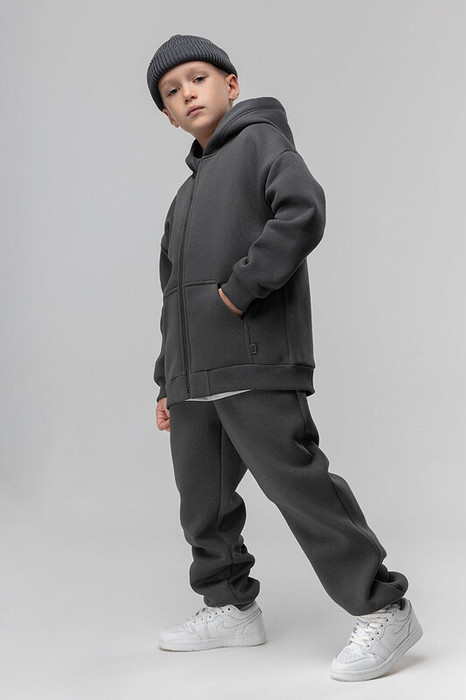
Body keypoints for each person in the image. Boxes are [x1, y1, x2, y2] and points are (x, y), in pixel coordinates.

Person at [146, 34, 423, 682]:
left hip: (253, 358)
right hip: (194, 378)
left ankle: (384, 608)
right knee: (201, 501)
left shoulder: (261, 143)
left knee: (298, 487)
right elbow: (171, 296)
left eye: (197, 78)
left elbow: (303, 210)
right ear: (168, 116)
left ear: (231, 85)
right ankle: (229, 607)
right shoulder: (183, 199)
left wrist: (241, 290)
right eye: (171, 92)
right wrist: (166, 380)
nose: (187, 95)